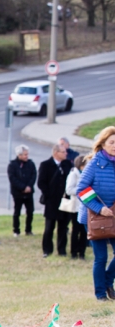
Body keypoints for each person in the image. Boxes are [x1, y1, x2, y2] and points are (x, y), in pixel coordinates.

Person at [76, 126, 115, 301]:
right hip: (94, 218)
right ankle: (100, 294)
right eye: (112, 142)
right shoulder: (94, 163)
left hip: (113, 216)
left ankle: (107, 281)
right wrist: (99, 208)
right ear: (103, 144)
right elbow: (82, 189)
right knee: (101, 257)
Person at [38, 145, 73, 257]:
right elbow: (41, 182)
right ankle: (47, 250)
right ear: (55, 153)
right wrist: (49, 195)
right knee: (49, 227)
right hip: (51, 202)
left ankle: (61, 250)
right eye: (63, 152)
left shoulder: (67, 164)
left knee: (63, 227)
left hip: (65, 201)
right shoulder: (46, 165)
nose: (65, 154)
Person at [7, 145, 37, 237]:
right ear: (19, 155)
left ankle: (28, 230)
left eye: (27, 154)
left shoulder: (31, 164)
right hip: (18, 193)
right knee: (17, 212)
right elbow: (12, 178)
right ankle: (16, 230)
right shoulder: (12, 165)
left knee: (30, 211)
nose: (26, 156)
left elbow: (34, 175)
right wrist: (23, 187)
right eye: (24, 155)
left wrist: (29, 186)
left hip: (29, 192)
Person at [66, 155, 88, 259]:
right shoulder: (73, 174)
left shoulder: (87, 174)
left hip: (86, 205)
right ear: (81, 165)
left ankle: (82, 252)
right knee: (75, 230)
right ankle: (74, 252)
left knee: (84, 231)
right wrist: (82, 191)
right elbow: (69, 190)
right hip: (76, 206)